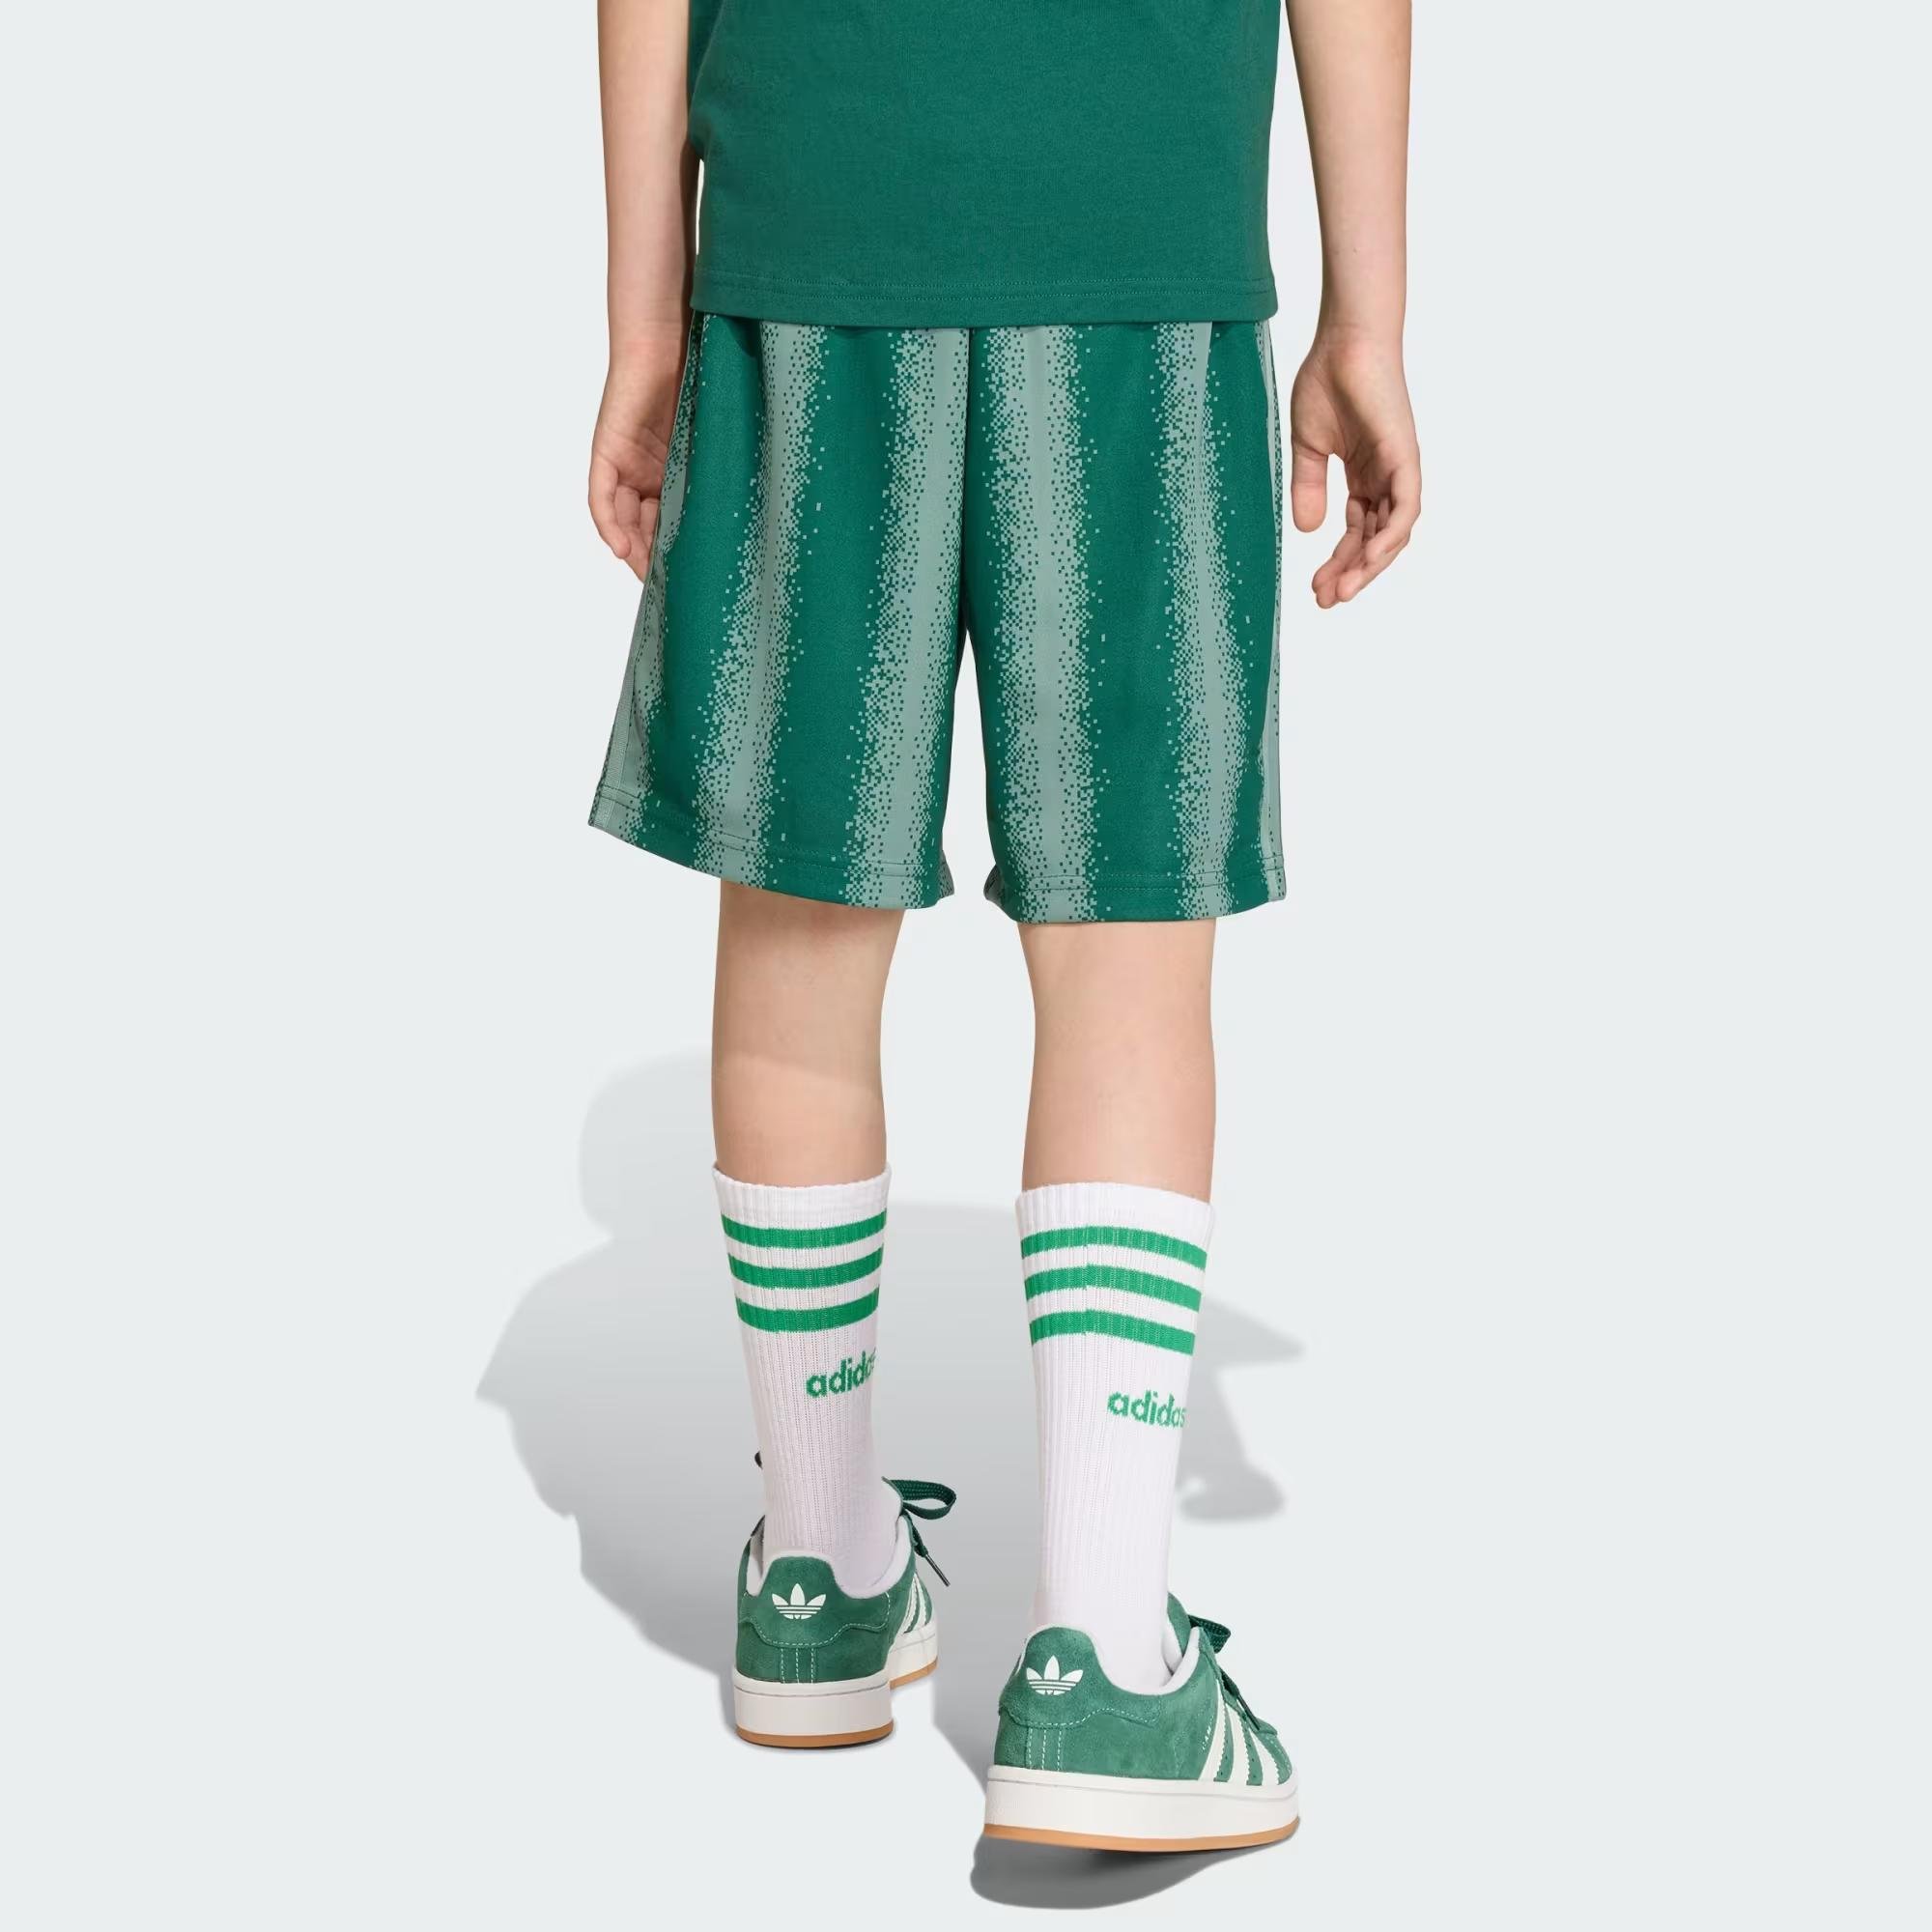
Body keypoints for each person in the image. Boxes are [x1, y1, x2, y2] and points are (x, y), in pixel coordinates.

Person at [585, 0, 1418, 1852]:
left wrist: (646, 323)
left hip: (808, 238)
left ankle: (817, 1573)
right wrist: (1365, 319)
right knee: (1127, 953)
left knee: (799, 927)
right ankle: (1105, 1658)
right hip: (1139, 255)